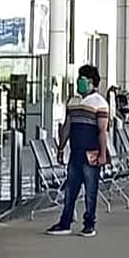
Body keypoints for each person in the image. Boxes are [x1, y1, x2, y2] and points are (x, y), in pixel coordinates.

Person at [47, 64, 110, 238]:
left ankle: (89, 224)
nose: (79, 83)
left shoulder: (100, 103)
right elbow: (67, 126)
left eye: (83, 80)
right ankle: (65, 222)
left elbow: (102, 131)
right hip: (75, 153)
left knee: (91, 190)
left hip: (92, 153)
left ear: (92, 82)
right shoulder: (73, 101)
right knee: (70, 190)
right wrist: (61, 148)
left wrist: (103, 154)